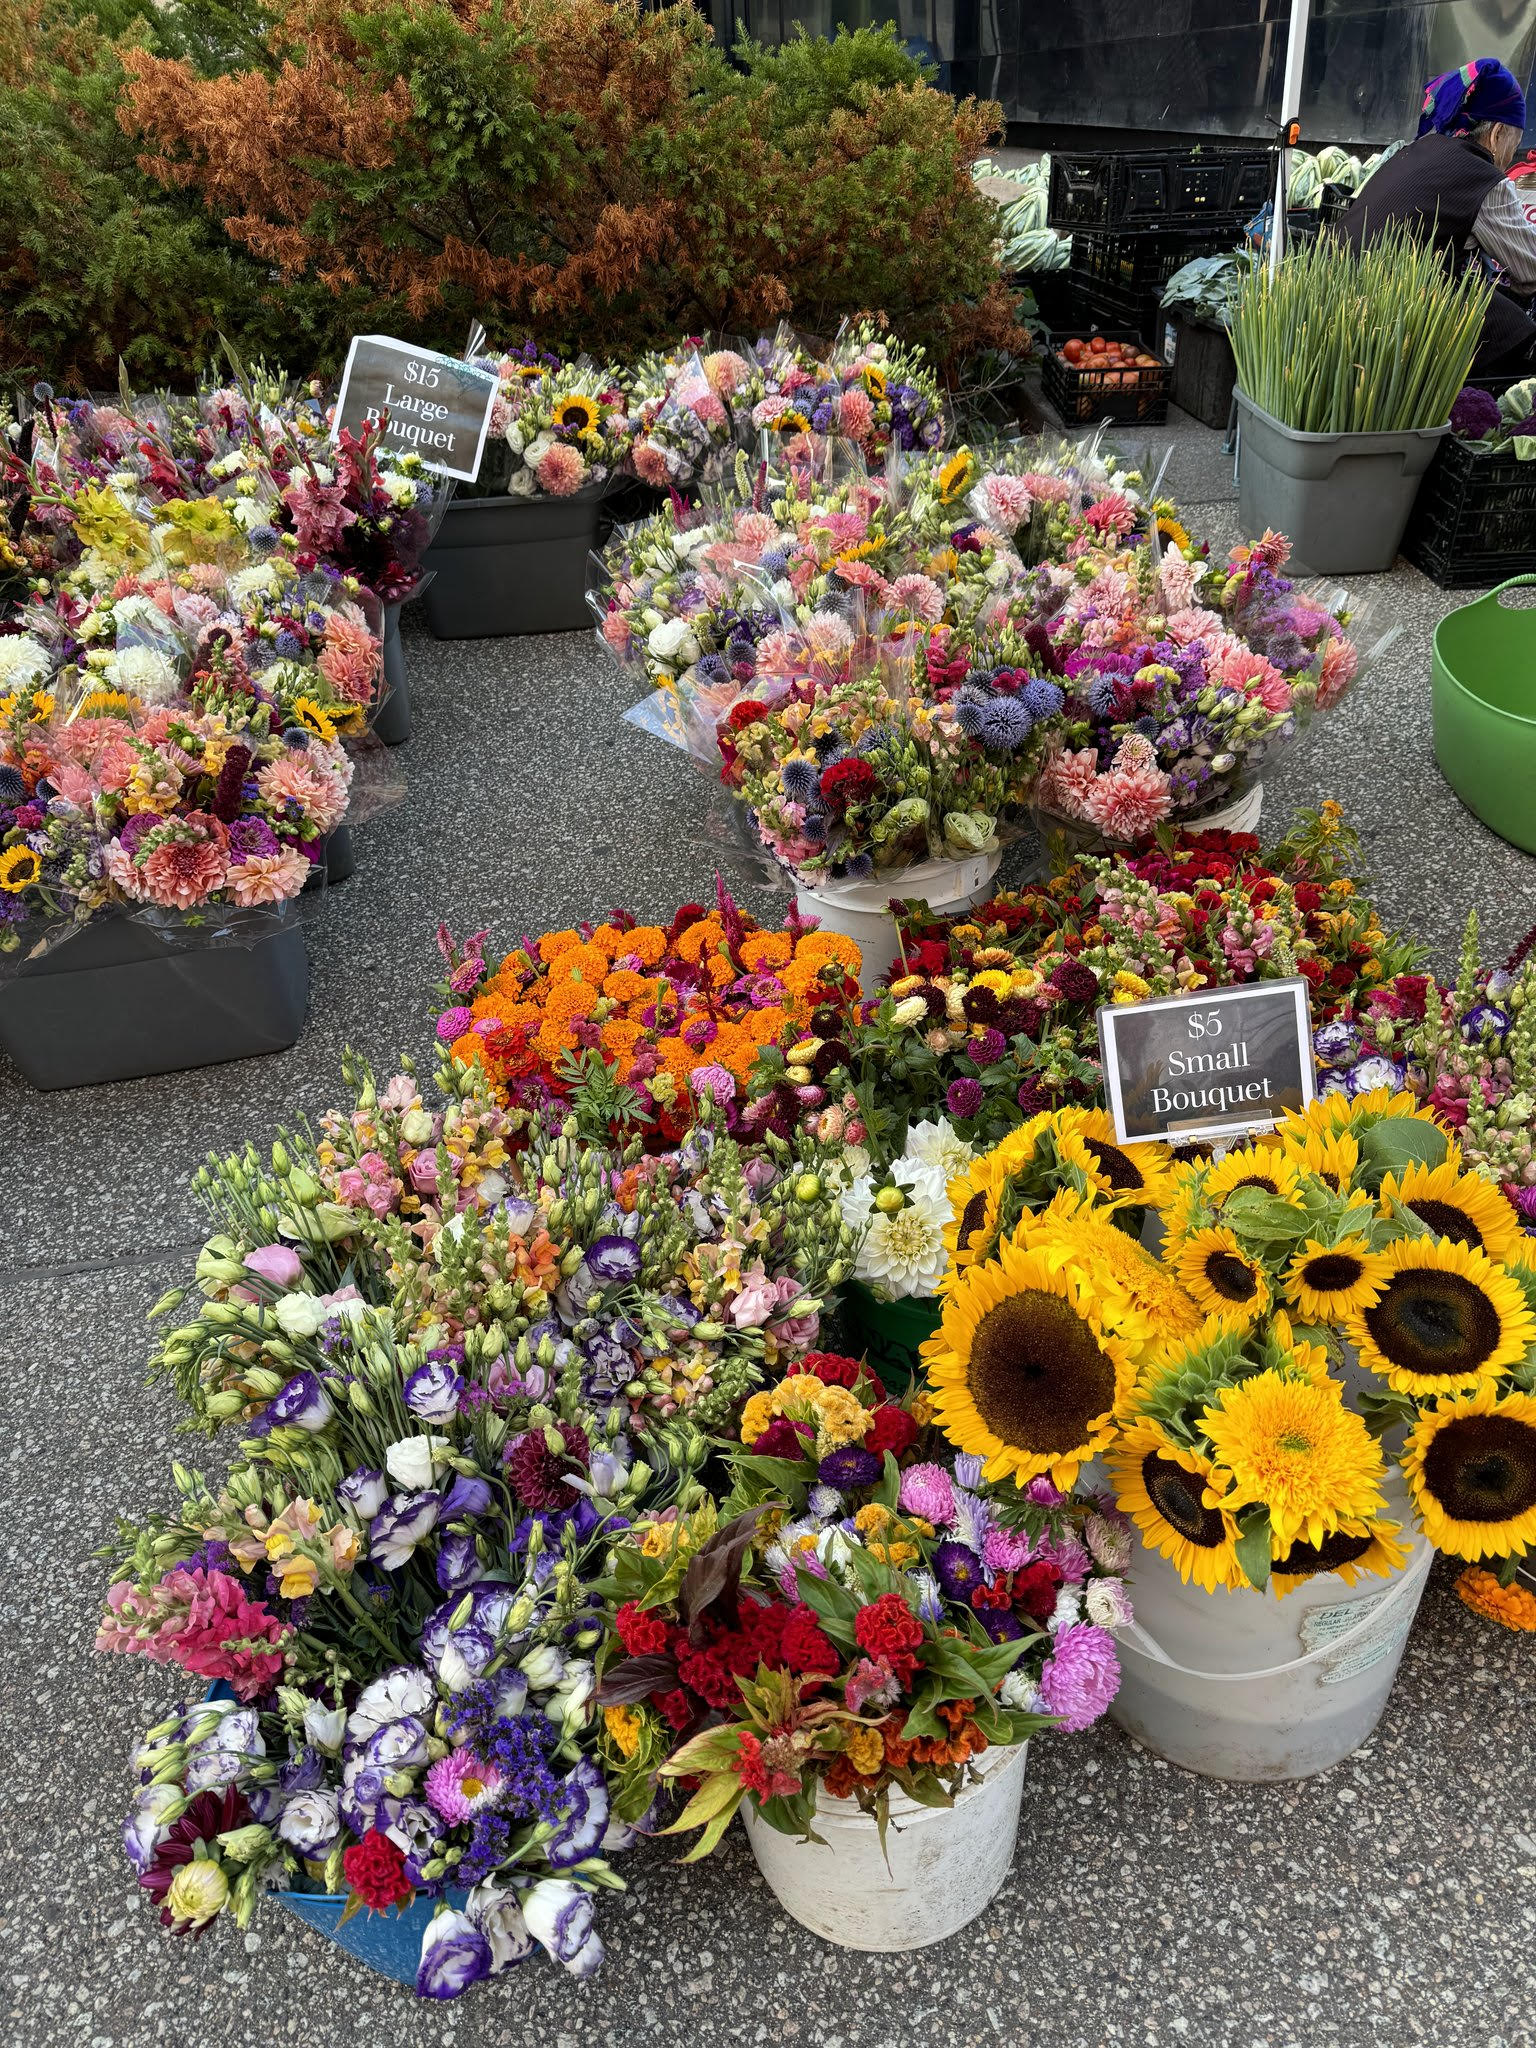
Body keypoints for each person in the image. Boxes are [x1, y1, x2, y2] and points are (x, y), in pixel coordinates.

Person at [1336, 57, 1536, 372]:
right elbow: (1531, 268)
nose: (1512, 155)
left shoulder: (1413, 151)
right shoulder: (1483, 177)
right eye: (1515, 141)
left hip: (1339, 290)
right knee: (1512, 327)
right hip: (1392, 306)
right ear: (1497, 134)